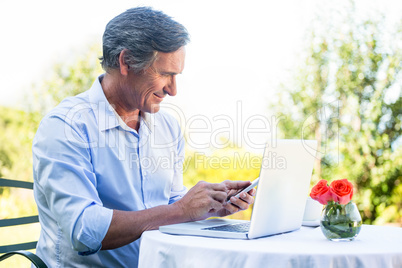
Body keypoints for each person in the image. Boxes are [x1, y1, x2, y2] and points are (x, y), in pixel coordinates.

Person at [32, 7, 255, 267]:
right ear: (126, 62)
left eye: (176, 76)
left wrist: (210, 208)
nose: (173, 90)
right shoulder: (66, 126)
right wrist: (181, 210)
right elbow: (84, 230)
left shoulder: (167, 127)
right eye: (165, 74)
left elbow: (168, 204)